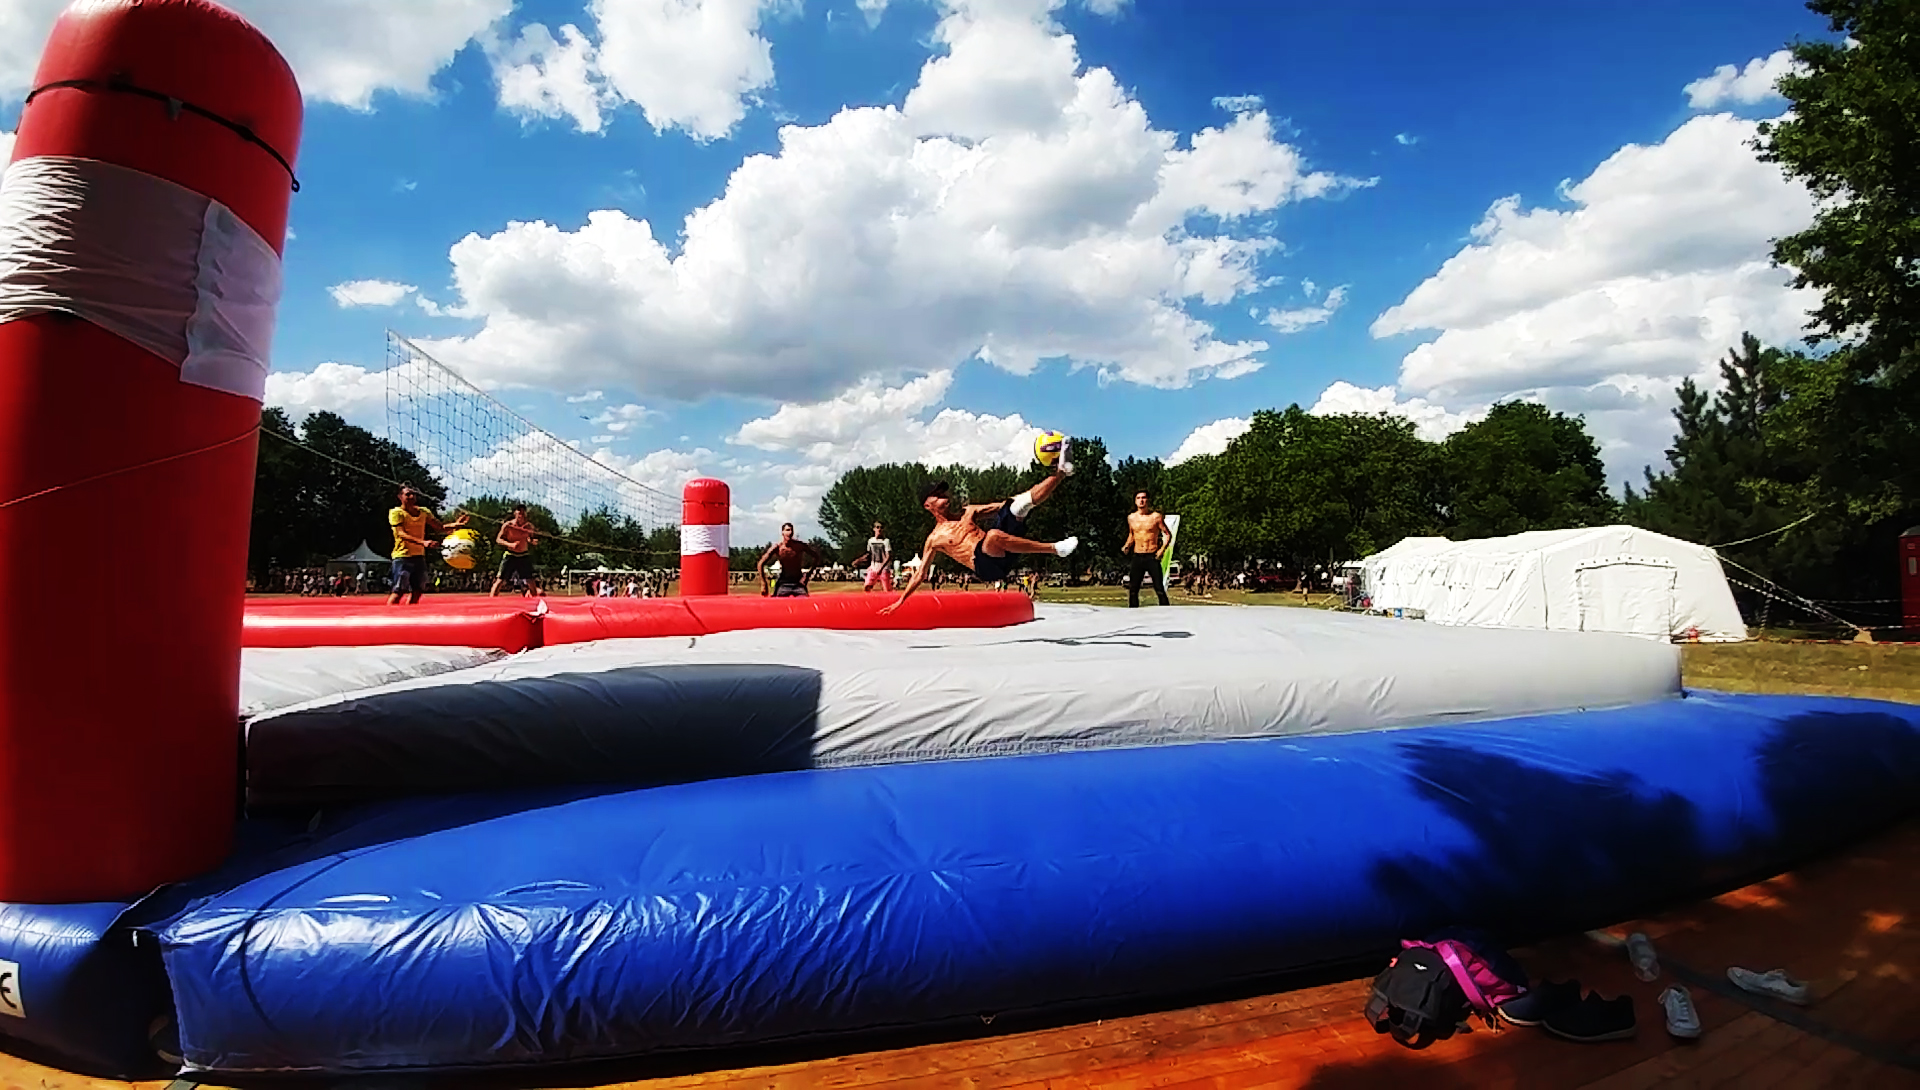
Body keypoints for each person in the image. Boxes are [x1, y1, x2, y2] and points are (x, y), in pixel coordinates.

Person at [881, 452, 1079, 615]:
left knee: (1019, 506)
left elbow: (1003, 505)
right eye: (939, 495)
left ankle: (1061, 472)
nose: (945, 497)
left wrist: (1025, 497)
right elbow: (920, 574)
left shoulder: (969, 512)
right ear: (927, 505)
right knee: (993, 535)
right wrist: (901, 600)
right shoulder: (934, 538)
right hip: (986, 568)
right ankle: (1055, 549)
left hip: (1003, 552)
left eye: (944, 494)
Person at [387, 484, 468, 606]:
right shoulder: (396, 513)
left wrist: (456, 525)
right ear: (400, 496)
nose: (412, 496)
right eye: (408, 494)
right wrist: (423, 542)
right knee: (399, 591)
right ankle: (390, 618)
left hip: (419, 556)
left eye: (414, 494)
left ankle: (409, 615)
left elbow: (439, 527)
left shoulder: (424, 512)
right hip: (402, 557)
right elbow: (401, 534)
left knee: (417, 591)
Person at [1121, 489, 1171, 608]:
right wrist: (1127, 545)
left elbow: (1167, 534)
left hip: (1152, 555)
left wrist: (1162, 549)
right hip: (1138, 555)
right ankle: (1133, 613)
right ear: (1135, 501)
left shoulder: (1155, 517)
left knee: (1159, 588)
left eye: (1143, 498)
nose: (1141, 500)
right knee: (1133, 589)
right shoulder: (1131, 518)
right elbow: (1132, 535)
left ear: (1148, 500)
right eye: (1138, 498)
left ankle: (1168, 613)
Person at [758, 523, 826, 598]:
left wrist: (807, 576)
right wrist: (764, 583)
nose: (790, 532)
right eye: (787, 530)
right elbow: (760, 564)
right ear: (782, 532)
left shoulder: (799, 546)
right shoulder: (777, 547)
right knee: (778, 604)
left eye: (791, 530)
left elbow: (816, 557)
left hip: (798, 582)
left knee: (804, 604)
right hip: (783, 582)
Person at [489, 503, 542, 598]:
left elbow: (529, 538)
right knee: (500, 580)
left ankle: (535, 604)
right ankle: (491, 602)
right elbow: (498, 539)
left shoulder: (529, 527)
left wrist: (532, 542)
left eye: (523, 511)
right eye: (519, 511)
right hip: (510, 554)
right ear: (515, 513)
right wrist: (510, 544)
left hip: (524, 555)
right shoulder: (508, 525)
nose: (521, 513)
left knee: (531, 581)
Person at [863, 522, 895, 593]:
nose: (879, 529)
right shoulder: (871, 541)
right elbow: (869, 554)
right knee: (867, 587)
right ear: (874, 529)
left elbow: (888, 556)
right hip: (873, 567)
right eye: (877, 527)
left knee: (887, 590)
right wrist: (859, 560)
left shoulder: (886, 541)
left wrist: (881, 568)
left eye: (881, 527)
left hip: (884, 568)